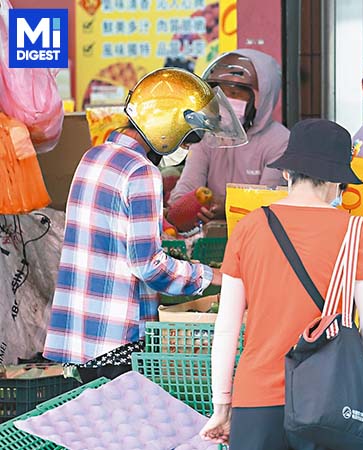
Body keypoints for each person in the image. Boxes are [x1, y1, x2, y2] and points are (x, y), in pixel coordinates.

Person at [42, 68, 246, 382]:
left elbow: (110, 235)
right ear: (167, 128)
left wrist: (170, 220)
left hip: (82, 330)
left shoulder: (94, 156)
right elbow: (149, 266)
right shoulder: (141, 172)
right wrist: (217, 276)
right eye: (188, 139)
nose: (188, 148)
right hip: (117, 336)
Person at [199, 119, 363, 449]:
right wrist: (346, 366)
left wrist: (222, 406)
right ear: (335, 181)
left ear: (287, 173)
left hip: (255, 400)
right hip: (329, 403)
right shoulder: (356, 232)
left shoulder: (249, 227)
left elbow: (227, 327)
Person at [167, 50, 290, 230]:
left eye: (234, 93)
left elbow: (268, 204)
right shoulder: (207, 134)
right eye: (219, 93)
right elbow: (188, 185)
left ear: (261, 98)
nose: (225, 101)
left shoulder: (281, 141)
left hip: (258, 236)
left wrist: (226, 206)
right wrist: (184, 206)